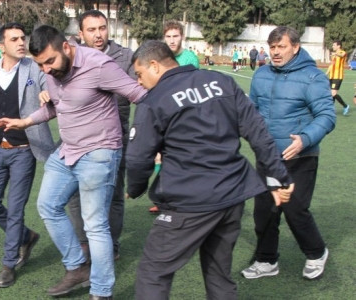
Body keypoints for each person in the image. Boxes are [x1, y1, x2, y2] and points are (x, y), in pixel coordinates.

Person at [126, 40, 294, 300]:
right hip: (232, 195)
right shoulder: (221, 82)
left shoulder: (153, 101)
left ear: (155, 66)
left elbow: (138, 158)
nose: (138, 81)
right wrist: (279, 177)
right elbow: (257, 131)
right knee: (218, 274)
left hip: (189, 202)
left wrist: (135, 188)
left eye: (139, 74)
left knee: (153, 273)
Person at [0, 25, 146, 300]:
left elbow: (139, 95)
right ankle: (77, 267)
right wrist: (26, 120)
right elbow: (58, 103)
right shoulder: (52, 70)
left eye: (50, 61)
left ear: (66, 47)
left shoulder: (98, 64)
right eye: (41, 65)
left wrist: (154, 138)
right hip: (67, 150)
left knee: (94, 224)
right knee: (47, 204)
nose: (46, 70)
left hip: (99, 152)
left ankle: (101, 292)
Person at [241, 26, 336, 281]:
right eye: (272, 47)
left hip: (300, 158)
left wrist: (305, 139)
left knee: (294, 209)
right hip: (268, 157)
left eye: (281, 47)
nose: (275, 52)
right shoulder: (261, 74)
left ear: (295, 47)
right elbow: (253, 110)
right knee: (264, 213)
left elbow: (327, 116)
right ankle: (266, 261)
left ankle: (317, 253)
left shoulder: (313, 77)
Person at [0, 23, 55, 288]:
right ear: (1, 45)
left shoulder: (33, 69)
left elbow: (48, 84)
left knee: (15, 209)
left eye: (22, 38)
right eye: (14, 39)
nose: (21, 42)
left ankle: (8, 263)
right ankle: (27, 237)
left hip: (24, 150)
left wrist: (48, 94)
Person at [66, 9, 136, 261]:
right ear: (81, 33)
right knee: (74, 193)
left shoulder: (125, 57)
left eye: (102, 28)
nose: (98, 34)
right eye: (92, 30)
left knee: (114, 195)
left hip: (116, 137)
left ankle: (112, 244)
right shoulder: (70, 56)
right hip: (79, 138)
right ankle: (84, 244)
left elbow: (140, 92)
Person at [148, 20, 200, 214]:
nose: (171, 40)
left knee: (183, 159)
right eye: (168, 36)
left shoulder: (190, 58)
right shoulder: (159, 58)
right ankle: (163, 201)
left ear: (182, 37)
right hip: (164, 115)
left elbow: (192, 88)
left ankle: (186, 201)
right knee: (161, 156)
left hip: (184, 117)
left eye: (175, 36)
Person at [326, 40, 349, 115]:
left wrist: (335, 54)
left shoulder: (343, 52)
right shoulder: (334, 55)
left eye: (334, 45)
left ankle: (345, 106)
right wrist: (326, 73)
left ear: (339, 46)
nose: (333, 46)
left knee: (333, 93)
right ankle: (331, 109)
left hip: (338, 76)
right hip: (331, 76)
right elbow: (331, 65)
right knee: (330, 93)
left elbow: (342, 55)